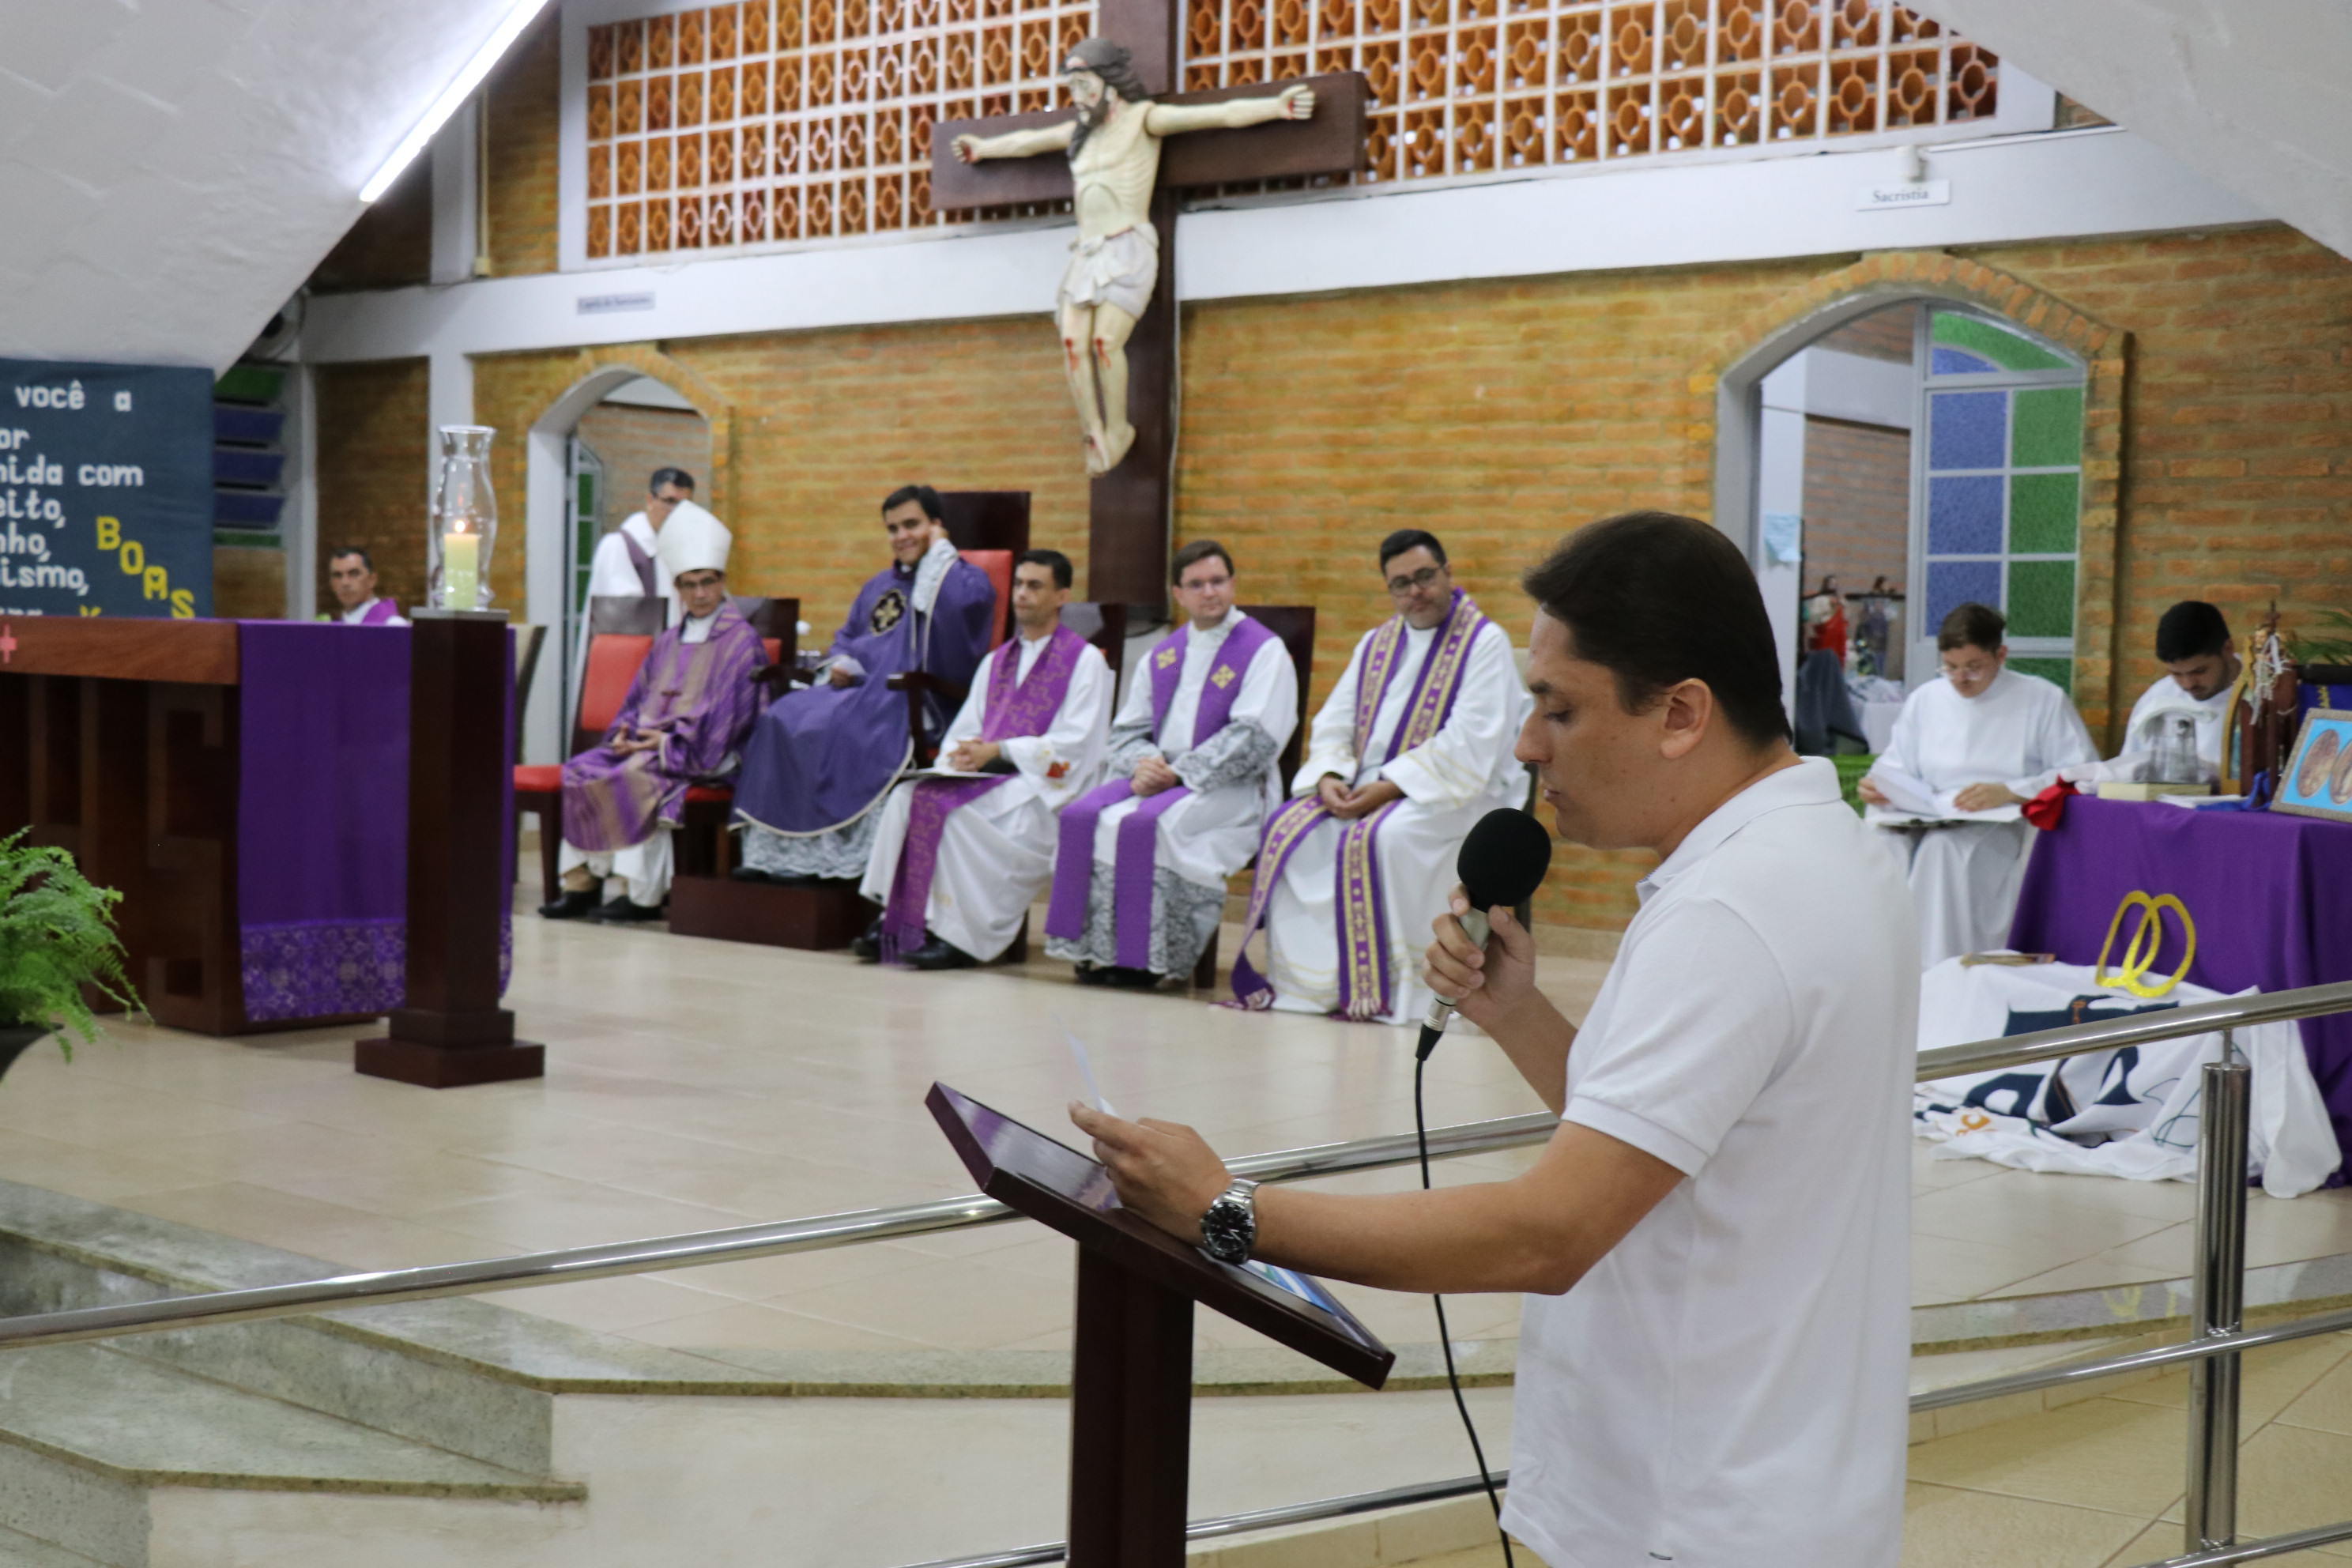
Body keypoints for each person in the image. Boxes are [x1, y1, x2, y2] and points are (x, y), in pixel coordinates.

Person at [1072, 512, 1915, 1568]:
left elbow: (1546, 1235)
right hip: (1788, 1467)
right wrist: (1517, 1013)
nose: (1528, 746)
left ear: (1682, 713)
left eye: (1558, 709)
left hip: (1694, 1503)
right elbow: (1686, 1140)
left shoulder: (1729, 914)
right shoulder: (1833, 851)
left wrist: (1228, 1212)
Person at [952, 40, 1313, 477]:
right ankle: (1095, 433)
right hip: (1087, 253)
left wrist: (1277, 107)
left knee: (1105, 342)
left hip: (1128, 248)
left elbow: (1217, 115)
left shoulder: (1145, 119)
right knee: (1071, 344)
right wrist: (983, 149)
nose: (1078, 96)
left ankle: (1119, 428)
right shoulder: (1078, 133)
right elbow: (1028, 142)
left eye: (1085, 84)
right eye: (1072, 87)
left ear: (1110, 82)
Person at [1231, 530, 1528, 1023]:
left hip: (1453, 791)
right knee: (1288, 829)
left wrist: (1390, 787)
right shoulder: (1377, 643)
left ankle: (1403, 988)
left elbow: (1472, 739)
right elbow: (1336, 720)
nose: (1415, 591)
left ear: (1448, 574)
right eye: (1401, 583)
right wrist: (1328, 774)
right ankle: (1310, 986)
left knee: (1390, 836)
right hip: (1371, 786)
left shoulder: (1484, 642)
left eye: (1425, 577)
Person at [1044, 540, 1297, 988]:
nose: (1210, 592)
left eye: (1218, 581)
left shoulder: (1263, 650)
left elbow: (1256, 736)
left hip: (1232, 786)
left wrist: (1178, 773)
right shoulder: (1164, 654)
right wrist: (1146, 765)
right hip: (1159, 778)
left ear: (1233, 584)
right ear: (1178, 594)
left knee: (1153, 826)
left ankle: (1148, 960)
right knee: (1088, 817)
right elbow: (1125, 731)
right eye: (1196, 584)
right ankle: (1099, 952)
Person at [854, 549, 1115, 969]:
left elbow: (1077, 747)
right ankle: (898, 918)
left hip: (1043, 790)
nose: (1023, 595)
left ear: (1062, 596)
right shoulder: (996, 661)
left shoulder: (1085, 662)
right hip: (988, 779)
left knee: (957, 817)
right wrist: (965, 752)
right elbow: (967, 727)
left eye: (1036, 586)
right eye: (1019, 585)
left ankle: (959, 934)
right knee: (908, 797)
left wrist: (1003, 751)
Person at [732, 485, 997, 884]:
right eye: (893, 528)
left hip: (915, 698)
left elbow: (959, 633)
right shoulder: (877, 586)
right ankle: (787, 853)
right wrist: (842, 663)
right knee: (782, 717)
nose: (901, 535)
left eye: (912, 524)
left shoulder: (963, 580)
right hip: (860, 692)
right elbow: (848, 637)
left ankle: (831, 860)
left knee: (841, 727)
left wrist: (940, 558)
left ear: (937, 526)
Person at [540, 506, 768, 924]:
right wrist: (625, 734)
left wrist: (664, 742)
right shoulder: (668, 640)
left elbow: (732, 718)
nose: (700, 593)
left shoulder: (741, 642)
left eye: (707, 582)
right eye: (689, 585)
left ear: (722, 582)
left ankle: (638, 893)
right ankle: (582, 884)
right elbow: (636, 699)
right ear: (679, 588)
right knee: (582, 768)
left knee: (638, 772)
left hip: (706, 753)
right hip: (652, 742)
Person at [1860, 601, 2098, 965]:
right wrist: (1880, 786)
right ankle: (1886, 966)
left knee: (1942, 852)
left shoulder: (2041, 698)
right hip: (1928, 815)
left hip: (2007, 826)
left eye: (1973, 668)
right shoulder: (1927, 699)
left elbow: (2082, 774)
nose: (1959, 680)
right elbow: (1897, 764)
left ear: (2000, 655)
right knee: (1879, 844)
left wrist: (2010, 791)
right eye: (1950, 667)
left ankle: (1939, 969)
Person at [2105, 600, 2241, 782]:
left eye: (2199, 671)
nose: (2188, 685)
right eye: (2176, 674)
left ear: (2227, 649)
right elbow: (2131, 772)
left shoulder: (2265, 692)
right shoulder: (2157, 699)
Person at [320, 548, 405, 625]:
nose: (345, 583)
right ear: (331, 584)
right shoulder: (333, 626)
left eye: (353, 573)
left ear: (372, 580)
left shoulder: (392, 624)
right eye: (338, 575)